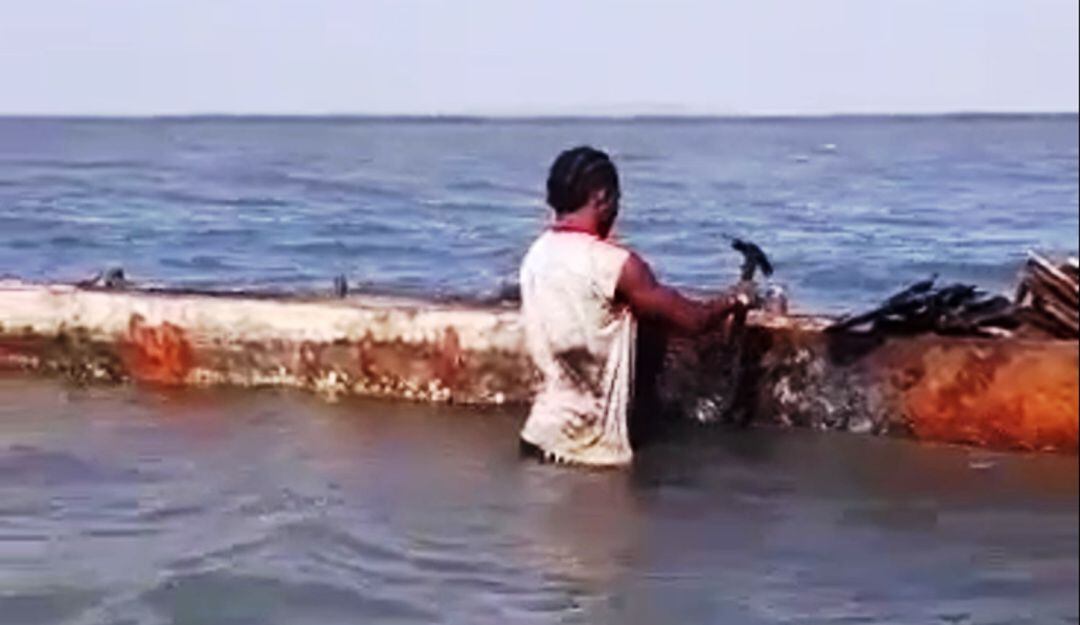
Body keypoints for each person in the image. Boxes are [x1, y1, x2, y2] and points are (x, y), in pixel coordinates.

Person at [518, 146, 750, 467]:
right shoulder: (615, 265)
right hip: (587, 455)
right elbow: (693, 320)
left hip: (536, 439)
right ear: (601, 198)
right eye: (617, 200)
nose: (618, 211)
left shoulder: (537, 254)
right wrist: (736, 299)